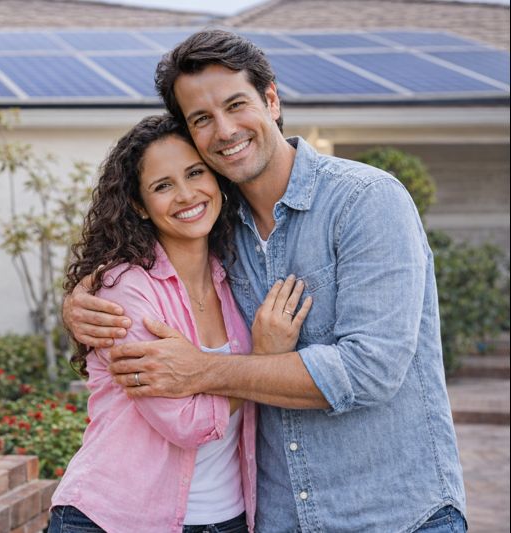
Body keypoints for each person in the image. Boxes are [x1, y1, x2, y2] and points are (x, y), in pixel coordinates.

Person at [63, 30, 466, 532]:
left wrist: (203, 371)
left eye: (237, 105)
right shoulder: (219, 233)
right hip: (281, 519)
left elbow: (370, 369)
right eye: (202, 120)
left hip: (392, 515)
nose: (226, 130)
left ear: (271, 99)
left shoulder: (365, 201)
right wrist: (80, 301)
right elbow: (139, 266)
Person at [49, 114, 310, 533]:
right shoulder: (126, 292)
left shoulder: (235, 277)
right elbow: (187, 422)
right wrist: (264, 361)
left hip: (228, 519)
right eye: (163, 185)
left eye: (195, 173)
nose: (187, 195)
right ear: (139, 204)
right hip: (117, 519)